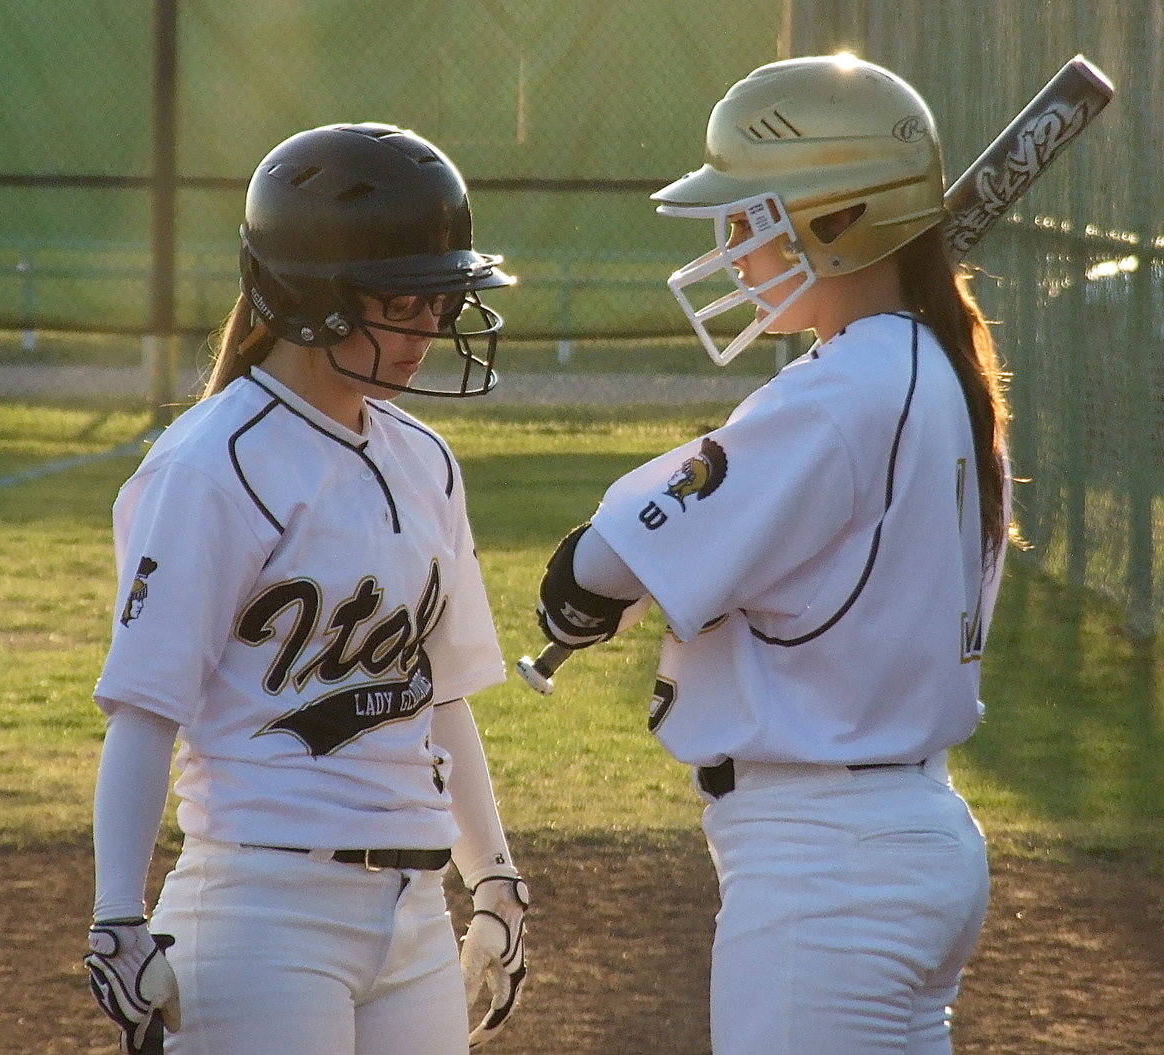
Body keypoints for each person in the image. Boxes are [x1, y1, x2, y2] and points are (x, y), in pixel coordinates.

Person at [532, 56, 1014, 1055]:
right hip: (905, 834)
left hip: (828, 862)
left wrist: (578, 594)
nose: (736, 245)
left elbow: (602, 559)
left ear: (837, 219)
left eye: (754, 215)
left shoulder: (844, 389)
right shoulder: (929, 361)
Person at [83, 122, 528, 1055]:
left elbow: (438, 695)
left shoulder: (427, 461)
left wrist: (492, 876)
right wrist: (117, 915)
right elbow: (143, 709)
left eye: (438, 301)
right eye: (403, 300)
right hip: (260, 910)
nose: (429, 330)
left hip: (412, 911)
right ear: (310, 298)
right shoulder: (214, 464)